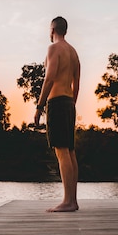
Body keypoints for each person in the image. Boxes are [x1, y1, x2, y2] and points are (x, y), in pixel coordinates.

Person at [34, 16, 81, 212]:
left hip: (57, 103)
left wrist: (39, 106)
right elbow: (76, 83)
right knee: (69, 151)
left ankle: (68, 201)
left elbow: (49, 77)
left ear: (52, 29)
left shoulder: (53, 49)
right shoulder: (73, 52)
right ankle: (73, 200)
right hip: (69, 102)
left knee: (61, 151)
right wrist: (72, 103)